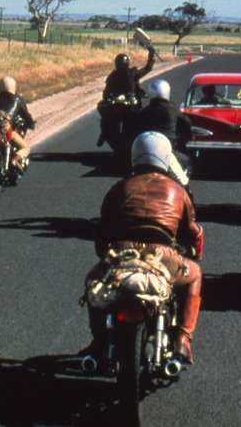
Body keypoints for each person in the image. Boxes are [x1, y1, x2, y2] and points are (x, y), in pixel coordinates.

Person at [87, 132, 203, 364]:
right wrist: (195, 252)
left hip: (123, 254)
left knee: (92, 278)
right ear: (165, 158)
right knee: (195, 274)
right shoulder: (177, 191)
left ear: (135, 156)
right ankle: (183, 339)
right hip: (164, 258)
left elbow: (102, 230)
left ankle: (99, 341)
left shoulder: (119, 188)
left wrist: (104, 256)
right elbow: (192, 231)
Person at [136, 79, 193, 188]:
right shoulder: (174, 109)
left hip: (143, 151)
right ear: (166, 92)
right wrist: (183, 140)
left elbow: (134, 130)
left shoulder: (145, 111)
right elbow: (187, 126)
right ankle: (187, 201)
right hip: (168, 152)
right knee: (183, 182)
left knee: (130, 177)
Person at [97, 49, 156, 151]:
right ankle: (105, 132)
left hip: (122, 104)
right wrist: (151, 56)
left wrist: (107, 97)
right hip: (129, 106)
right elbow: (148, 68)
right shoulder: (132, 73)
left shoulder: (114, 75)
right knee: (140, 120)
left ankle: (104, 133)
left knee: (104, 111)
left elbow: (106, 92)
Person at [0, 76, 36, 173]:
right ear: (13, 87)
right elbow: (26, 115)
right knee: (25, 148)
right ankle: (15, 159)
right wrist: (31, 123)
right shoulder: (17, 100)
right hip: (6, 130)